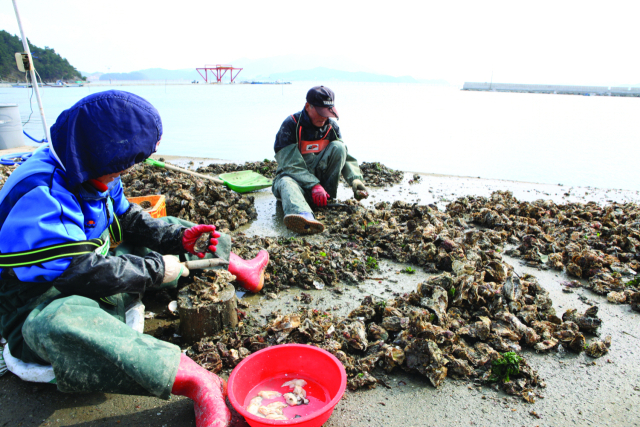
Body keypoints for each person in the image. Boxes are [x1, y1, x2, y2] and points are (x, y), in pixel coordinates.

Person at [0, 90, 269, 427]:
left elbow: (125, 217)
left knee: (175, 227)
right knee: (56, 323)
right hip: (44, 300)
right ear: (99, 157)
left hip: (100, 265)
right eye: (119, 169)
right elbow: (79, 273)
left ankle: (241, 267)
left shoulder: (91, 166)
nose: (122, 174)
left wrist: (173, 239)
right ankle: (198, 381)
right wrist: (157, 271)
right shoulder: (40, 194)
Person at [272, 86, 369, 234]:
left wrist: (355, 180)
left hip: (321, 189)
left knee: (339, 147)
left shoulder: (331, 127)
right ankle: (303, 216)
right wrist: (313, 185)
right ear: (307, 106)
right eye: (320, 112)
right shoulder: (291, 125)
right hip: (293, 182)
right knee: (286, 182)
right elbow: (291, 166)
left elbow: (345, 156)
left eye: (327, 112)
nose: (324, 117)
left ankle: (326, 199)